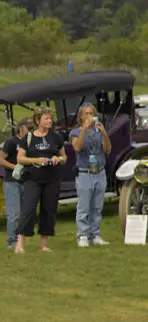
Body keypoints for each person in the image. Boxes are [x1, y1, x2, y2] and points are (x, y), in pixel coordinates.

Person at [16, 107, 66, 254]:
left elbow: (64, 157)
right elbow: (20, 158)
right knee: (28, 209)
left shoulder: (56, 137)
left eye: (50, 118)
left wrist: (59, 158)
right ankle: (20, 244)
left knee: (49, 210)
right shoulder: (29, 138)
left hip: (52, 179)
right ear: (38, 121)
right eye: (46, 118)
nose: (49, 121)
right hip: (33, 178)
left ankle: (44, 244)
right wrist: (36, 160)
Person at [71, 104, 111, 247]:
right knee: (84, 207)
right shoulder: (75, 132)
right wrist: (84, 129)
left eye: (91, 113)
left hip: (100, 172)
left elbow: (107, 149)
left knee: (97, 207)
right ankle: (82, 235)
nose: (89, 116)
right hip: (84, 174)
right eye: (86, 114)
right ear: (81, 117)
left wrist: (104, 133)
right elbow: (77, 147)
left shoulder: (98, 131)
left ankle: (95, 234)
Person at [0, 117, 34, 250]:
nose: (31, 131)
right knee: (14, 213)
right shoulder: (11, 142)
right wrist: (15, 167)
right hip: (12, 181)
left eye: (33, 128)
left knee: (25, 213)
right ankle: (11, 240)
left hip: (26, 181)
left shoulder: (30, 142)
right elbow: (0, 160)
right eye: (29, 128)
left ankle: (20, 240)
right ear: (21, 128)